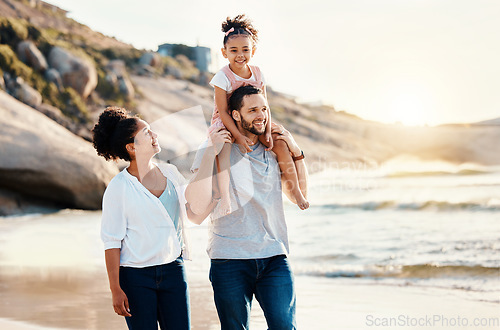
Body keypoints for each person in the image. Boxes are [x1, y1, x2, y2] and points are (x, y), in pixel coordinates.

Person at [186, 85, 309, 329]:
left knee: (285, 326)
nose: (261, 115)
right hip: (229, 258)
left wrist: (296, 150)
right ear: (235, 115)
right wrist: (211, 151)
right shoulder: (216, 145)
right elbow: (195, 208)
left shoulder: (275, 148)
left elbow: (300, 196)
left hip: (274, 255)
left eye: (264, 109)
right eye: (252, 110)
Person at [92, 107, 214, 330]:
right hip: (135, 278)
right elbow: (111, 242)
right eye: (147, 133)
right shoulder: (119, 188)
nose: (155, 135)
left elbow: (191, 215)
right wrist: (115, 289)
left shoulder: (171, 173)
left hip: (173, 271)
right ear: (132, 147)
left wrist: (215, 201)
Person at [207, 14, 309, 216]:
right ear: (224, 52)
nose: (240, 55)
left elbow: (266, 105)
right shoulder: (222, 77)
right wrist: (238, 136)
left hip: (254, 118)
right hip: (227, 119)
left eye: (245, 50)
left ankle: (296, 191)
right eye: (233, 50)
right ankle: (226, 196)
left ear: (253, 50)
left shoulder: (257, 73)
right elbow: (222, 110)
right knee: (225, 148)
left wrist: (269, 132)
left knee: (280, 143)